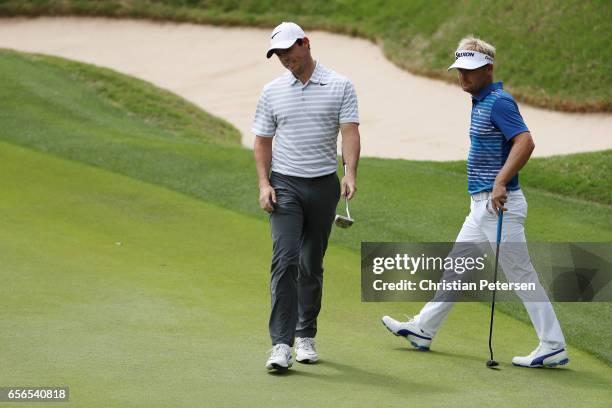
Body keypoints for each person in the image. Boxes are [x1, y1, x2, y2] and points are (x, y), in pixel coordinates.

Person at [381, 36, 569, 368]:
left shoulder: (498, 102)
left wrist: (499, 181)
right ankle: (424, 328)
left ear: (488, 69)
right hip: (481, 207)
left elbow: (525, 142)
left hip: (499, 206)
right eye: (459, 71)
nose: (463, 77)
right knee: (456, 269)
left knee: (522, 276)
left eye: (470, 71)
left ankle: (552, 344)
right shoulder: (480, 101)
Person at [252, 22, 361, 372]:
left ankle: (305, 335)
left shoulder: (340, 85)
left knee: (311, 264)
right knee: (284, 261)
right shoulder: (271, 91)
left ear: (306, 43)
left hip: (323, 185)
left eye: (288, 51)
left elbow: (350, 132)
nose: (284, 58)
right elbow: (262, 141)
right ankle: (280, 344)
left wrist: (351, 172)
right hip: (285, 185)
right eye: (278, 54)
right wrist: (263, 184)